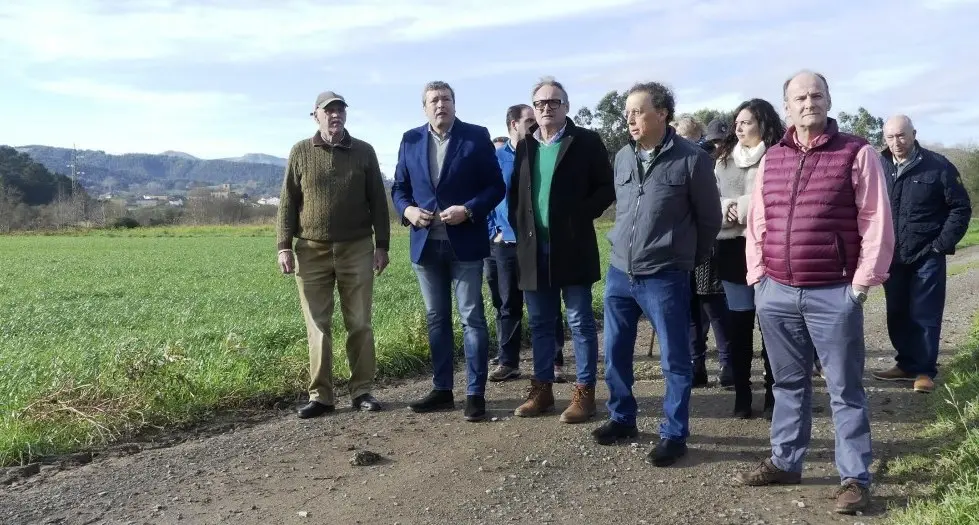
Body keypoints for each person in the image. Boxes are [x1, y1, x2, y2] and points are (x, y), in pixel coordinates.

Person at [736, 70, 895, 515]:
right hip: (777, 293)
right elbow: (758, 223)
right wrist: (758, 278)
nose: (809, 102)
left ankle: (854, 478)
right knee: (788, 383)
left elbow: (876, 221)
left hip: (834, 292)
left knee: (844, 389)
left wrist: (861, 284)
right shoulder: (774, 157)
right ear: (786, 106)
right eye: (800, 97)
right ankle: (787, 461)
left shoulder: (856, 152)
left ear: (828, 100)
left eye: (817, 95)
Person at [593, 81, 721, 467]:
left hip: (665, 275)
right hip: (620, 272)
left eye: (638, 111)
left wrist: (685, 259)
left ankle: (674, 433)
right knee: (614, 353)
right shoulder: (623, 158)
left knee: (674, 359)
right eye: (628, 112)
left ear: (662, 113)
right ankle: (622, 418)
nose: (630, 119)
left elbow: (710, 219)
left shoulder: (692, 160)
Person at [390, 81, 506, 422]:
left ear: (455, 104)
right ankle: (442, 390)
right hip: (426, 245)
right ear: (424, 108)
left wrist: (468, 210)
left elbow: (495, 186)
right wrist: (408, 211)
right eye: (433, 100)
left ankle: (475, 393)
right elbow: (399, 188)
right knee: (436, 319)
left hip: (465, 243)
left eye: (446, 99)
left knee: (472, 318)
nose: (440, 104)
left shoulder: (475, 136)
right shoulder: (410, 139)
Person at [507, 77, 615, 424]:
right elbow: (515, 194)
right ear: (533, 110)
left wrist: (579, 215)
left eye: (554, 102)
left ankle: (584, 393)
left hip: (573, 246)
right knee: (540, 323)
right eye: (540, 104)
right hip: (533, 249)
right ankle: (542, 390)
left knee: (580, 321)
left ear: (566, 107)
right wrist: (522, 229)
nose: (546, 108)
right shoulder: (525, 146)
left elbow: (605, 187)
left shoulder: (584, 141)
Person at [277, 91, 391, 418]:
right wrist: (284, 246)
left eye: (339, 110)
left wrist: (381, 244)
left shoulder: (364, 152)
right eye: (328, 111)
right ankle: (321, 396)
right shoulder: (300, 151)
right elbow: (287, 202)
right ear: (315, 115)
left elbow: (378, 203)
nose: (334, 116)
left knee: (359, 323)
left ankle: (362, 391)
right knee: (317, 325)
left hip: (357, 247)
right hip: (310, 251)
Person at [873, 115, 972, 394]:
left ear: (914, 133)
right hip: (892, 255)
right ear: (884, 138)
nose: (896, 142)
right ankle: (905, 364)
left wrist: (942, 244)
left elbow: (960, 208)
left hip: (927, 254)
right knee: (897, 312)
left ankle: (925, 371)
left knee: (925, 314)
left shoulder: (938, 166)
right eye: (890, 137)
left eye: (902, 136)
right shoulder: (878, 166)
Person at [712, 98, 785, 419]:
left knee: (770, 327)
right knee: (738, 327)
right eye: (737, 123)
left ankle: (773, 395)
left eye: (746, 123)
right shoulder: (722, 160)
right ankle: (742, 396)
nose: (739, 128)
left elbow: (775, 201)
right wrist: (724, 207)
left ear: (763, 125)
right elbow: (710, 199)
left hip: (768, 249)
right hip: (730, 250)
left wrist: (739, 207)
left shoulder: (778, 156)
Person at [486, 104, 568, 383]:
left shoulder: (540, 151)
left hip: (537, 241)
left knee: (546, 302)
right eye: (529, 121)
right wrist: (493, 230)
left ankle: (555, 362)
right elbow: (488, 196)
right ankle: (508, 362)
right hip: (506, 242)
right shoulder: (496, 158)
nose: (535, 125)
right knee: (507, 303)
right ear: (513, 125)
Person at [675, 116, 733, 388]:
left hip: (706, 243)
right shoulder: (685, 158)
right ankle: (700, 365)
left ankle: (724, 365)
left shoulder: (708, 161)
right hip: (687, 245)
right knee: (696, 310)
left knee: (712, 308)